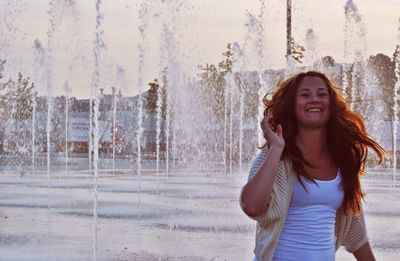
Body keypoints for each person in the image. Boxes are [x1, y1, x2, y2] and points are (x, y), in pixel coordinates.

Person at [240, 71, 386, 261]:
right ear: (293, 106)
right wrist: (276, 148)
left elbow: (355, 234)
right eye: (305, 95)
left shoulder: (342, 160)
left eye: (321, 94)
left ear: (330, 105)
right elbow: (251, 207)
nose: (314, 100)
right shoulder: (274, 158)